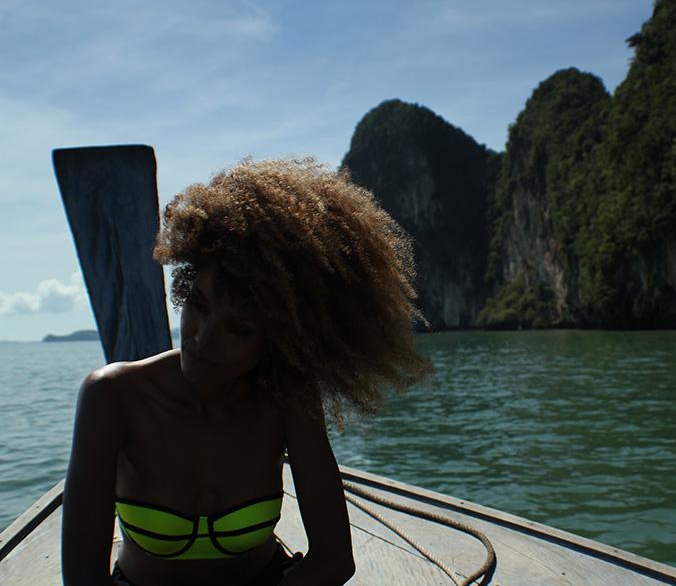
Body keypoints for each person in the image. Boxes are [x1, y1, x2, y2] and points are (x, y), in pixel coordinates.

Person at [61, 156, 435, 585]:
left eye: (238, 327)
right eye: (198, 305)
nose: (203, 338)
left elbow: (334, 559)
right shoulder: (112, 396)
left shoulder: (287, 398)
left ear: (283, 338)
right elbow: (83, 581)